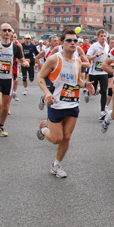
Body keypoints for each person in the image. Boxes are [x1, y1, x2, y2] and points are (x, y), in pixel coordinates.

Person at [36, 28, 94, 178]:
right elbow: (40, 77)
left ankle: (56, 165)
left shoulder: (77, 60)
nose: (73, 43)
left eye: (75, 40)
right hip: (56, 104)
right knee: (57, 139)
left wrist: (85, 84)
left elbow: (77, 81)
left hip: (73, 104)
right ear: (63, 43)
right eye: (69, 40)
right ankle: (43, 128)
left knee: (66, 137)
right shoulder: (54, 59)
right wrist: (47, 93)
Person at [86, 30, 110, 120]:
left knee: (104, 91)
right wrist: (97, 55)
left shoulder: (107, 46)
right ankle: (88, 93)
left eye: (104, 36)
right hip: (94, 72)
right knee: (93, 89)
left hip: (103, 72)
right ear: (97, 37)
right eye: (101, 36)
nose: (103, 37)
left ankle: (102, 111)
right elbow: (87, 57)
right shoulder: (94, 46)